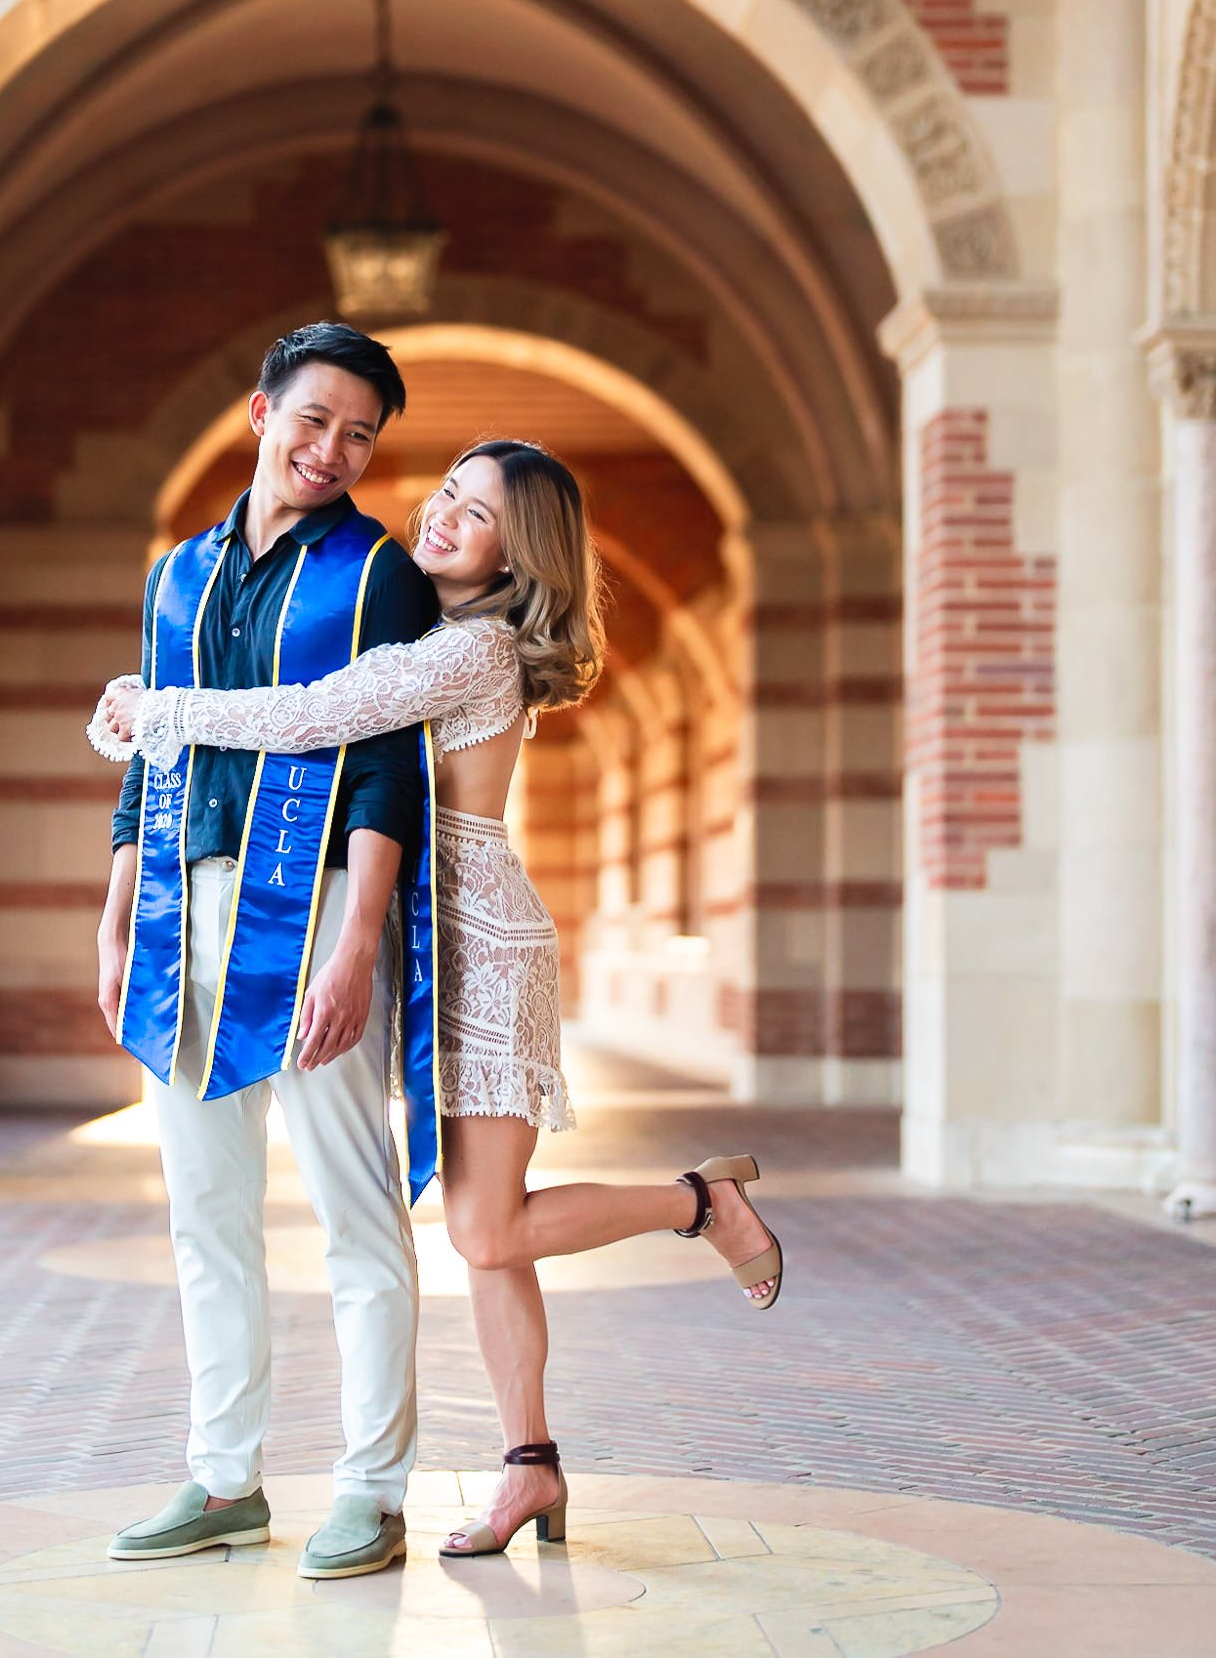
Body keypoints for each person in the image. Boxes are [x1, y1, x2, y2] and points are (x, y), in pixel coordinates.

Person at [92, 433, 784, 1562]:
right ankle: (530, 1471)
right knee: (488, 1238)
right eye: (447, 494)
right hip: (431, 940)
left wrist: (164, 711)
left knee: (483, 1223)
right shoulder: (433, 628)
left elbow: (316, 712)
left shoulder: (475, 649)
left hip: (481, 946)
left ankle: (698, 1203)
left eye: (477, 512)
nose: (443, 517)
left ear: (522, 552)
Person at [92, 322, 438, 1584]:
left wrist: (359, 946)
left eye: (360, 434)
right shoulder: (174, 574)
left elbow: (389, 767)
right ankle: (225, 1475)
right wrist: (118, 905)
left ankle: (370, 1486)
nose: (332, 450)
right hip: (187, 915)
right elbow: (150, 746)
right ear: (258, 412)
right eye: (314, 421)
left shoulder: (377, 577)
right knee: (206, 1212)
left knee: (354, 1208)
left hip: (316, 911)